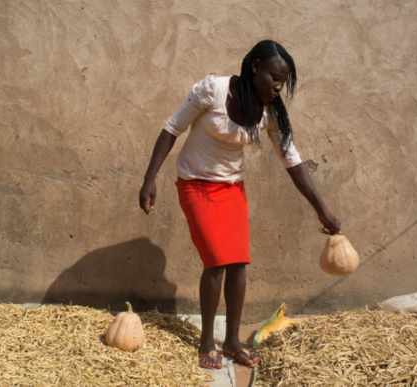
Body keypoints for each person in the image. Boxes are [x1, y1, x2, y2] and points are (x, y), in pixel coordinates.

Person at [139, 40, 341, 370]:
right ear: (255, 67)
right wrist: (150, 179)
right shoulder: (212, 91)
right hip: (195, 185)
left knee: (237, 264)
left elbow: (291, 159)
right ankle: (207, 341)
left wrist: (321, 208)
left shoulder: (270, 112)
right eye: (274, 78)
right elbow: (171, 129)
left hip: (232, 189)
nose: (278, 87)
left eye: (283, 82)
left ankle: (231, 340)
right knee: (216, 261)